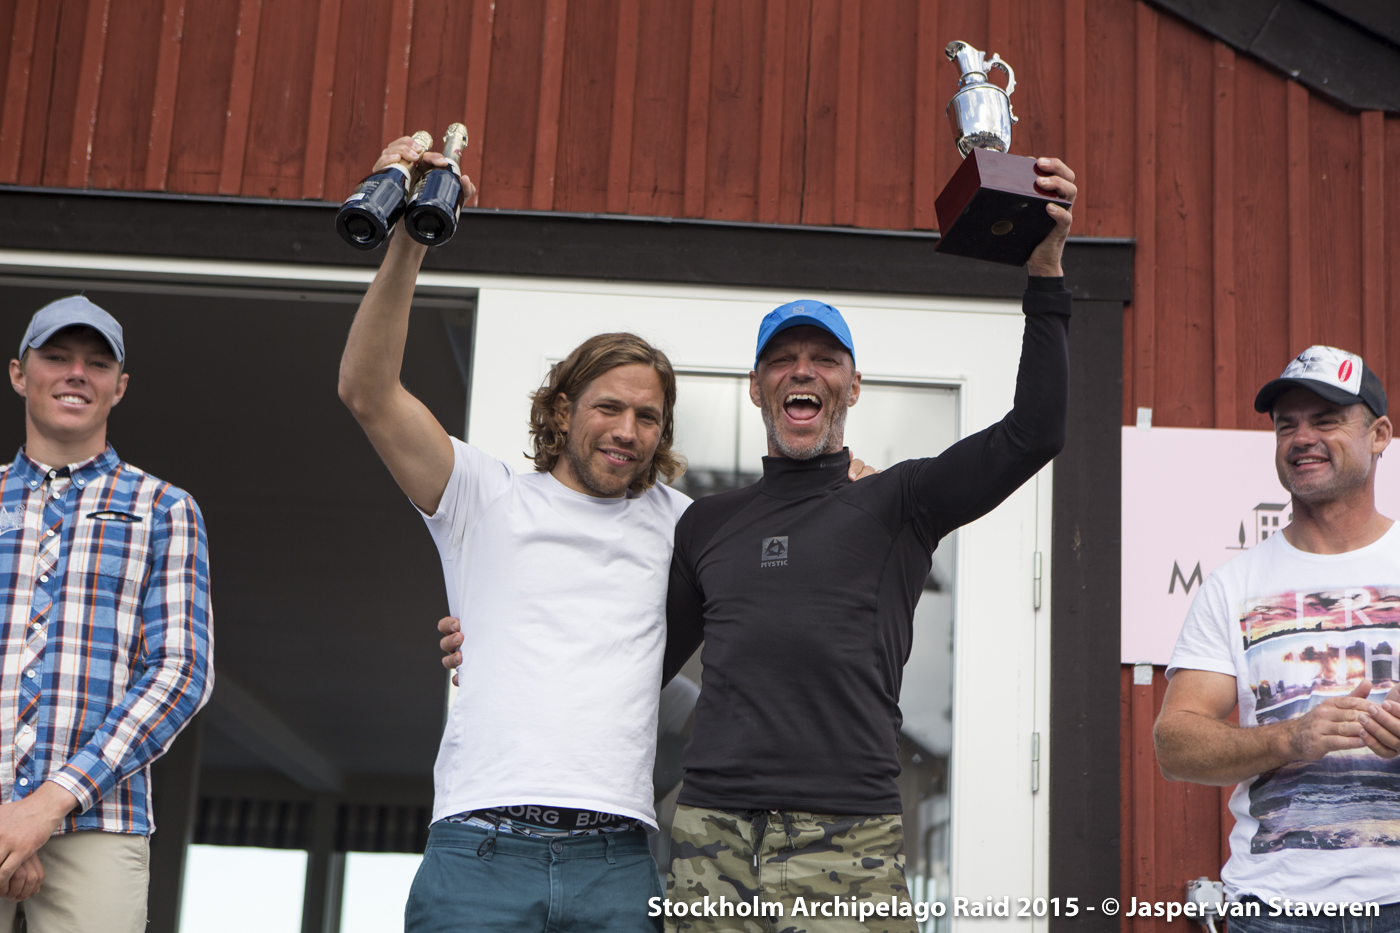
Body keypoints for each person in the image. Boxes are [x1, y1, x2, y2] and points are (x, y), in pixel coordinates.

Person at [341, 136, 876, 933]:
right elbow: (367, 390)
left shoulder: (686, 524)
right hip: (479, 851)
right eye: (609, 407)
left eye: (648, 416)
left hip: (617, 863)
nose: (628, 430)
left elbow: (778, 578)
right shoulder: (481, 495)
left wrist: (847, 489)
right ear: (563, 410)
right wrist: (411, 242)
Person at [658, 159, 1077, 932]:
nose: (802, 371)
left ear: (853, 387)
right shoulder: (705, 523)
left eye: (824, 359)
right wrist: (500, 645)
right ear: (756, 386)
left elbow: (1034, 434)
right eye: (782, 359)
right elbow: (637, 663)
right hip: (711, 838)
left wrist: (1045, 274)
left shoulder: (899, 500)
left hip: (846, 835)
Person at [1156, 346, 1400, 928]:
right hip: (1275, 909)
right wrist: (1292, 737)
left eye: (1326, 420)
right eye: (1286, 425)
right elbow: (1174, 744)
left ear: (1379, 436)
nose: (1302, 438)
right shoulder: (1232, 585)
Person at [0, 296, 212, 930]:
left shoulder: (165, 508)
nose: (76, 374)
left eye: (96, 364)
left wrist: (46, 807)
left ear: (119, 388)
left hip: (100, 819)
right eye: (57, 357)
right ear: (19, 374)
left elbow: (180, 672)